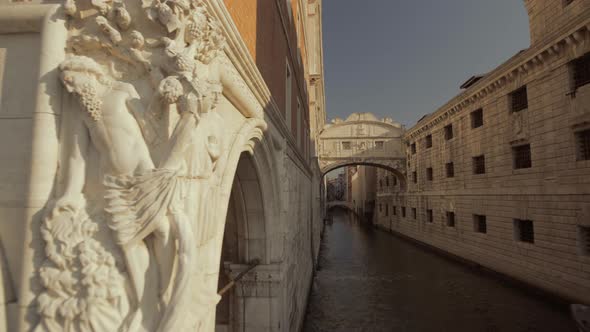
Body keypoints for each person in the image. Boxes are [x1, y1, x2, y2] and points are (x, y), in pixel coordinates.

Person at [54, 55, 174, 331]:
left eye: (73, 82)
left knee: (163, 230)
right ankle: (142, 307)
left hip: (143, 174)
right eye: (66, 85)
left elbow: (150, 125)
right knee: (128, 243)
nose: (71, 90)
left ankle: (164, 293)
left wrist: (163, 94)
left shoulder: (123, 91)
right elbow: (76, 156)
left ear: (89, 72)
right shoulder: (80, 110)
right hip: (112, 184)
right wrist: (70, 193)